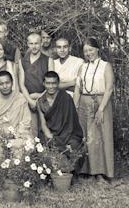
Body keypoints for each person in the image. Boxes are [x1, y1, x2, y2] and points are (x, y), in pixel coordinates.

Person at [74, 37, 114, 183]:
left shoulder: (105, 65)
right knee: (85, 136)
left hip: (100, 102)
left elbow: (109, 88)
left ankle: (101, 172)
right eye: (85, 51)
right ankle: (85, 171)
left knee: (99, 137)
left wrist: (101, 109)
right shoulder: (82, 67)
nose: (88, 53)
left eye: (91, 50)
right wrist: (75, 106)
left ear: (97, 49)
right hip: (84, 102)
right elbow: (78, 88)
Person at [0, 71, 33, 159]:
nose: (5, 86)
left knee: (28, 142)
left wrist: (16, 134)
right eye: (1, 84)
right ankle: (0, 170)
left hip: (17, 134)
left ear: (12, 82)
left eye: (7, 83)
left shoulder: (20, 98)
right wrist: (1, 135)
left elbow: (26, 121)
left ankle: (17, 169)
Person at [18, 32, 54, 136]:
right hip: (28, 99)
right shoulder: (22, 61)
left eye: (37, 43)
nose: (34, 46)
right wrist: (30, 100)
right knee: (31, 128)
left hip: (45, 97)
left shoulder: (48, 60)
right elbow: (21, 83)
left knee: (46, 127)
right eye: (31, 43)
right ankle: (33, 150)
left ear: (41, 43)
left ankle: (48, 150)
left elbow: (52, 83)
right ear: (28, 44)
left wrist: (40, 96)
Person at [37, 71, 83, 151]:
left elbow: (72, 123)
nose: (51, 86)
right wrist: (49, 136)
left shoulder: (66, 98)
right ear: (43, 83)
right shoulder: (41, 101)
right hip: (51, 133)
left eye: (54, 83)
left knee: (74, 145)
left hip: (68, 134)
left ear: (58, 83)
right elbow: (43, 124)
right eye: (48, 83)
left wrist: (62, 140)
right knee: (42, 145)